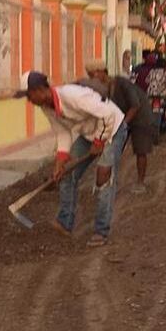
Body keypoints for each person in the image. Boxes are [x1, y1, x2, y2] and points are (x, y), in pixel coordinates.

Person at [17, 70, 126, 246]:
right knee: (67, 174)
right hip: (89, 133)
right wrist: (59, 163)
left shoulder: (73, 96)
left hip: (113, 128)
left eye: (29, 96)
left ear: (38, 90)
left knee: (103, 177)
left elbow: (108, 115)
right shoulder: (47, 107)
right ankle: (64, 223)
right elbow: (63, 133)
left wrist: (100, 141)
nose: (29, 101)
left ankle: (101, 231)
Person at [83, 59, 155, 195]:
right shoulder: (100, 89)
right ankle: (111, 181)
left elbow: (135, 105)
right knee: (114, 149)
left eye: (93, 75)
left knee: (141, 149)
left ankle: (140, 182)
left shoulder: (121, 83)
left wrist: (123, 125)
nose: (91, 79)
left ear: (102, 72)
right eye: (90, 75)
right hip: (120, 118)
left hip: (141, 116)